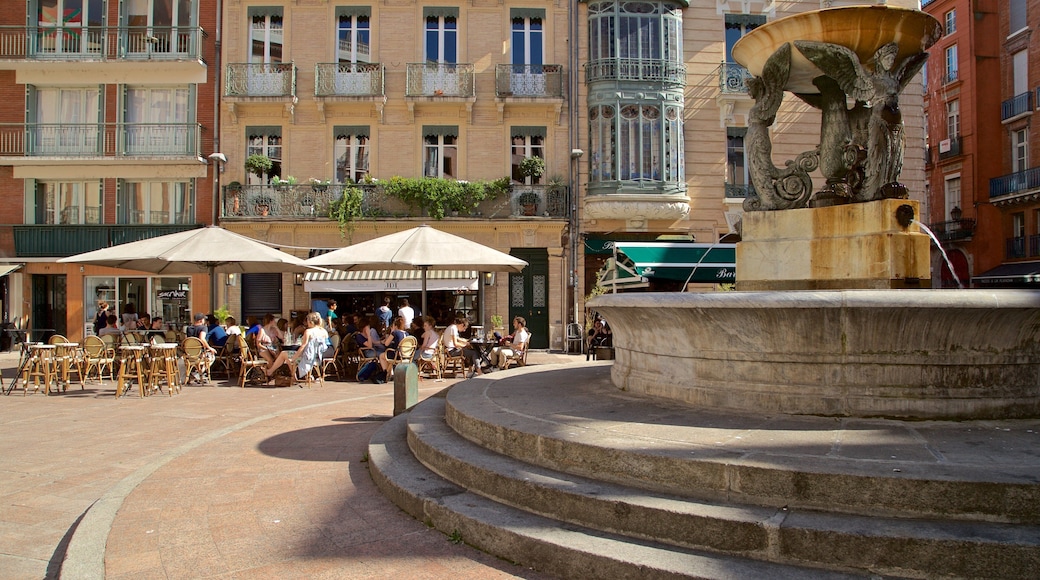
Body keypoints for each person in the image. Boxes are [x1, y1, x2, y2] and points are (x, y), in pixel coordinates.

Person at [266, 312, 328, 382]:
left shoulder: (308, 331)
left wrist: (294, 357)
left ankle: (271, 371)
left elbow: (303, 346)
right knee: (288, 356)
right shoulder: (324, 331)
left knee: (285, 354)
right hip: (317, 357)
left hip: (307, 357)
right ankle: (293, 376)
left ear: (310, 321)